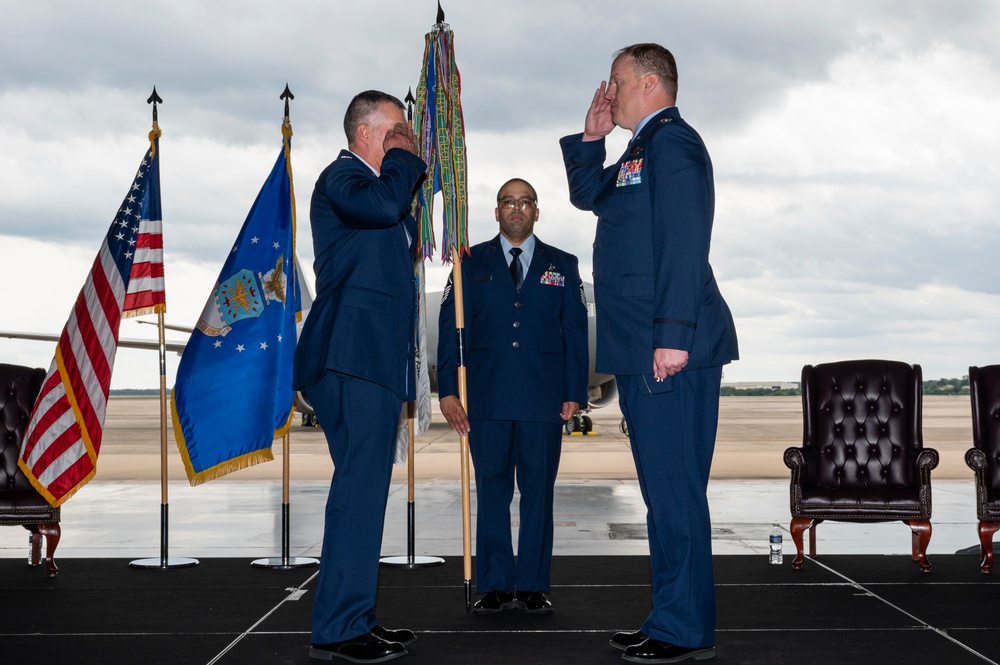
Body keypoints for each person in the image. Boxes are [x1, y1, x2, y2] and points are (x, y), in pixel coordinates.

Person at [560, 44, 739, 663]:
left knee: (675, 493)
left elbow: (685, 242)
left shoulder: (675, 145)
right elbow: (592, 197)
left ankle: (685, 630)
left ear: (651, 83)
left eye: (617, 82)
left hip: (669, 349)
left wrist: (673, 334)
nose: (609, 92)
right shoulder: (640, 149)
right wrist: (591, 137)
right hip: (642, 348)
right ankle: (670, 619)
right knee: (662, 495)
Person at [294, 90, 427, 663]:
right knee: (357, 492)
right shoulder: (342, 178)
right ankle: (339, 628)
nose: (406, 139)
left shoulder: (375, 187)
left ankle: (356, 617)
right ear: (367, 131)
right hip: (351, 357)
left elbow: (393, 210)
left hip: (370, 359)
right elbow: (382, 206)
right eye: (397, 130)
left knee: (366, 492)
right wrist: (404, 158)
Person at [437, 178, 589, 615]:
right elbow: (452, 331)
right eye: (508, 202)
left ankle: (534, 585)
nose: (516, 209)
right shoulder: (468, 262)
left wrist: (574, 392)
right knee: (492, 492)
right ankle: (496, 584)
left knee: (539, 494)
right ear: (497, 211)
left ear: (537, 211)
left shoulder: (564, 264)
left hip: (545, 402)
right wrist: (448, 390)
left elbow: (575, 334)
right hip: (486, 401)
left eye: (525, 202)